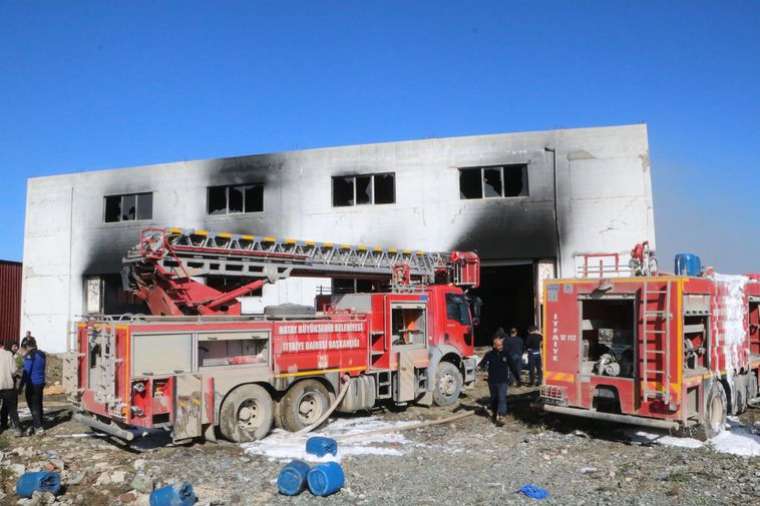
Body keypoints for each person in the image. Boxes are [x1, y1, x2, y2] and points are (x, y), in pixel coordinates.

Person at [478, 332, 510, 423]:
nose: (500, 347)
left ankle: (502, 416)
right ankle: (494, 413)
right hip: (492, 381)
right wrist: (479, 367)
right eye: (498, 345)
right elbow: (482, 363)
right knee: (494, 398)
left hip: (503, 381)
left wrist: (517, 377)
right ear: (494, 345)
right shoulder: (489, 354)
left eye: (501, 345)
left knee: (502, 398)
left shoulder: (505, 353)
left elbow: (513, 365)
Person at [19, 335, 46, 435]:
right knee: (39, 403)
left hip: (32, 383)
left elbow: (26, 372)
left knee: (33, 404)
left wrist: (21, 386)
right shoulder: (42, 354)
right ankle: (39, 423)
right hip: (41, 382)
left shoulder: (30, 356)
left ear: (26, 346)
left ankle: (38, 427)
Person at [0, 342, 22, 436]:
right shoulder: (9, 355)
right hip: (7, 385)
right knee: (12, 408)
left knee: (4, 406)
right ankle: (17, 429)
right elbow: (13, 371)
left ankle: (3, 425)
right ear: (3, 346)